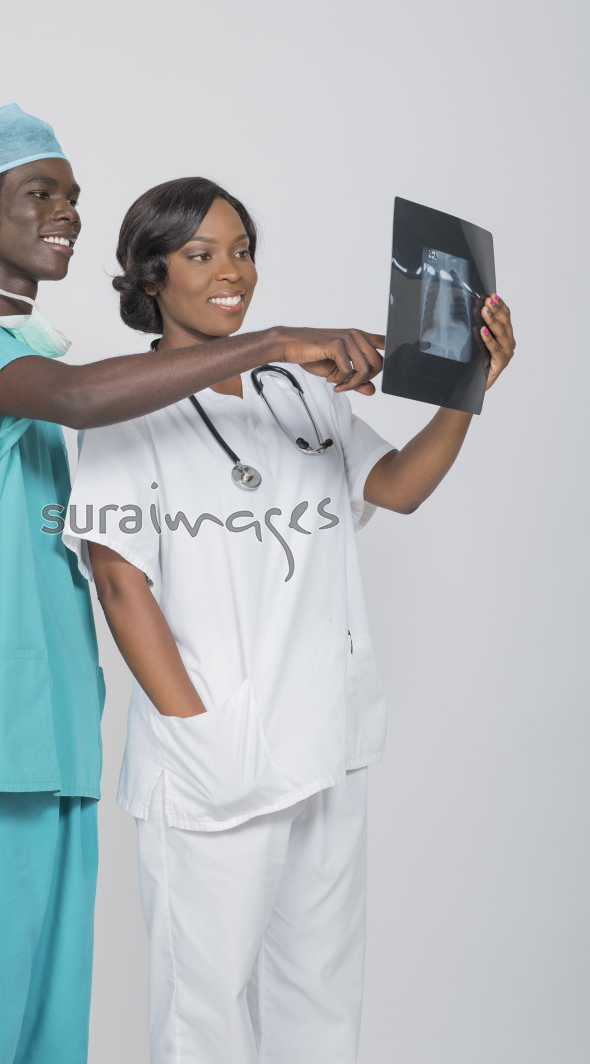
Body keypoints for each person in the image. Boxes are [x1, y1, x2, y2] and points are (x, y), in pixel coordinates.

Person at [0, 105, 385, 1064]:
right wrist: (271, 341)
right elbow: (81, 400)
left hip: (51, 722)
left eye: (74, 197)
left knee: (51, 1021)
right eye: (40, 193)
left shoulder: (34, 348)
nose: (68, 213)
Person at [64, 177, 515, 1064]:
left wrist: (467, 390)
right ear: (152, 276)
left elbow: (395, 488)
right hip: (216, 751)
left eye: (241, 250)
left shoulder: (299, 389)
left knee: (321, 1000)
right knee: (205, 1016)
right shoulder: (127, 404)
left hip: (323, 745)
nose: (231, 272)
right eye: (201, 255)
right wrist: (199, 731)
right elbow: (120, 582)